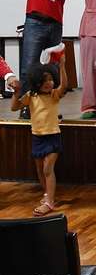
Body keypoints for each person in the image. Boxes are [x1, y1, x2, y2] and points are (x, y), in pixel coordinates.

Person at [11, 57, 67, 216]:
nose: (49, 83)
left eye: (51, 79)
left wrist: (62, 67)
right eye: (45, 80)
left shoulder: (54, 95)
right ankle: (47, 195)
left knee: (48, 169)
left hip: (53, 136)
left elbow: (64, 86)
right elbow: (15, 107)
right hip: (37, 137)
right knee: (40, 170)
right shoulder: (31, 96)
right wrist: (16, 93)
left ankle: (50, 202)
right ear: (37, 82)